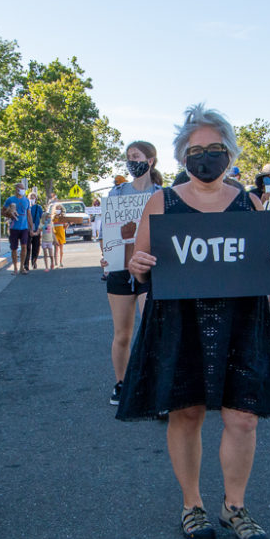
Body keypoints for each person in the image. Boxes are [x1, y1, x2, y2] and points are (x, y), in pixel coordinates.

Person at [117, 104, 270, 539]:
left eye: (215, 148)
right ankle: (192, 503)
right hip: (180, 319)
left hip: (240, 320)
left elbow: (264, 267)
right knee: (188, 410)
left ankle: (234, 506)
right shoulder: (162, 201)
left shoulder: (249, 203)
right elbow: (139, 267)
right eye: (196, 149)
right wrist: (138, 266)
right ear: (182, 156)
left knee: (244, 416)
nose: (206, 157)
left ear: (230, 154)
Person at [102, 140, 162, 405]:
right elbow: (107, 232)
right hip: (120, 269)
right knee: (122, 333)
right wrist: (105, 256)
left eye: (136, 156)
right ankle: (122, 383)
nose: (131, 162)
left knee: (152, 330)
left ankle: (156, 386)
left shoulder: (162, 195)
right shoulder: (116, 194)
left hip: (151, 271)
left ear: (150, 161)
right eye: (128, 157)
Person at [3, 183, 32, 275]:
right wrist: (10, 214)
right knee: (14, 248)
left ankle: (22, 267)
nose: (23, 190)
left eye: (24, 188)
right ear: (17, 189)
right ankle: (15, 267)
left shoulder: (26, 200)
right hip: (14, 227)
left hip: (24, 227)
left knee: (24, 246)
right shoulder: (10, 200)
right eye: (21, 188)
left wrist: (31, 227)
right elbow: (2, 211)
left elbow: (28, 214)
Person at [26, 193, 43, 272]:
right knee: (27, 247)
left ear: (36, 199)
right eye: (30, 197)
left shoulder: (38, 207)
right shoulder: (26, 207)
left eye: (33, 198)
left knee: (36, 246)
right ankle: (26, 263)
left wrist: (39, 229)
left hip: (36, 229)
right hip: (27, 229)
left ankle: (34, 260)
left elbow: (42, 218)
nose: (32, 199)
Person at [51, 203, 67, 267]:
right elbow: (51, 225)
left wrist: (68, 223)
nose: (58, 209)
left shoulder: (63, 217)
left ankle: (61, 261)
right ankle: (56, 262)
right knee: (56, 248)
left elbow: (65, 227)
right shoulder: (53, 217)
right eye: (57, 208)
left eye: (59, 208)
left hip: (61, 233)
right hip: (55, 233)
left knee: (61, 249)